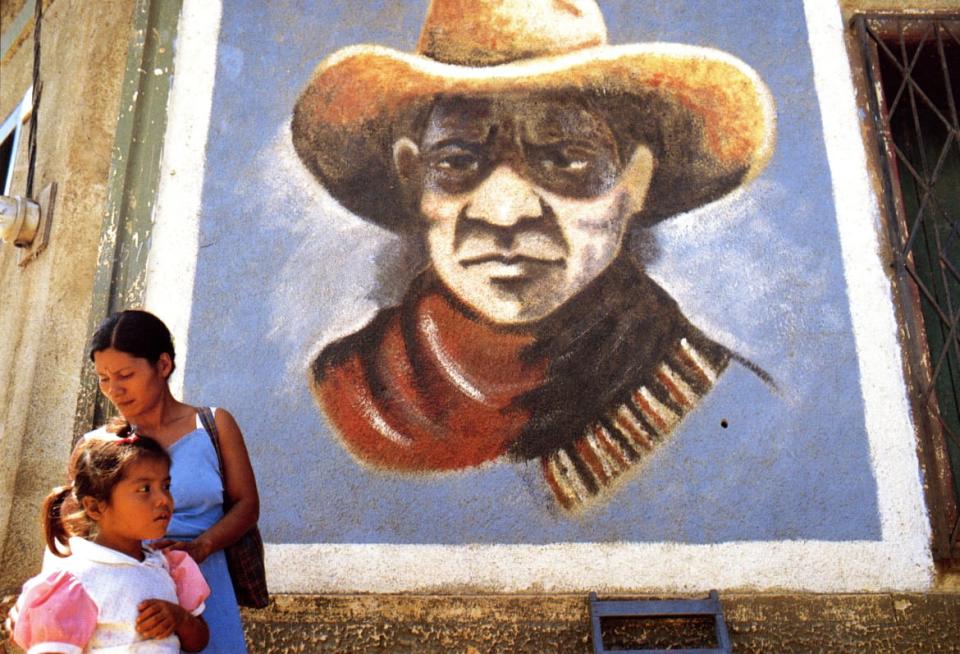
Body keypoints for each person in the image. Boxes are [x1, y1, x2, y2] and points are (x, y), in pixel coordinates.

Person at [291, 0, 776, 510]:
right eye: (457, 160)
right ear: (413, 179)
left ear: (635, 179)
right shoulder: (340, 393)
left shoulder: (717, 404)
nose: (505, 213)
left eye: (566, 159)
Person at [84, 309, 257, 652]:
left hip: (207, 585)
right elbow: (78, 528)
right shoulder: (99, 445)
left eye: (125, 375)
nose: (114, 390)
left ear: (163, 365)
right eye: (104, 378)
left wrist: (201, 546)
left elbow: (247, 505)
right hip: (132, 593)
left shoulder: (212, 425)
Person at [11, 433, 210, 652]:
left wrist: (180, 618)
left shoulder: (167, 566)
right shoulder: (79, 579)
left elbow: (198, 641)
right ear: (96, 507)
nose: (164, 499)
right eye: (144, 489)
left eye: (166, 486)